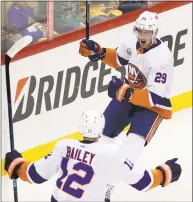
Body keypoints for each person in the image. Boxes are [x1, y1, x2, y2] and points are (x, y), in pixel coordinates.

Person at [5, 110, 181, 202]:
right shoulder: (110, 154)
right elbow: (144, 182)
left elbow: (33, 175)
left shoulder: (63, 146)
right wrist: (166, 173)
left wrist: (16, 164)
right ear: (101, 128)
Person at [79, 11, 174, 176]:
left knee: (129, 152)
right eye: (140, 30)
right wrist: (98, 51)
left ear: (155, 32)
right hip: (129, 94)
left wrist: (124, 90)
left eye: (147, 32)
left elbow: (154, 98)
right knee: (101, 136)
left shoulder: (162, 58)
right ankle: (98, 174)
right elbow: (118, 59)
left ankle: (111, 182)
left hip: (152, 107)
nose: (142, 35)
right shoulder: (131, 41)